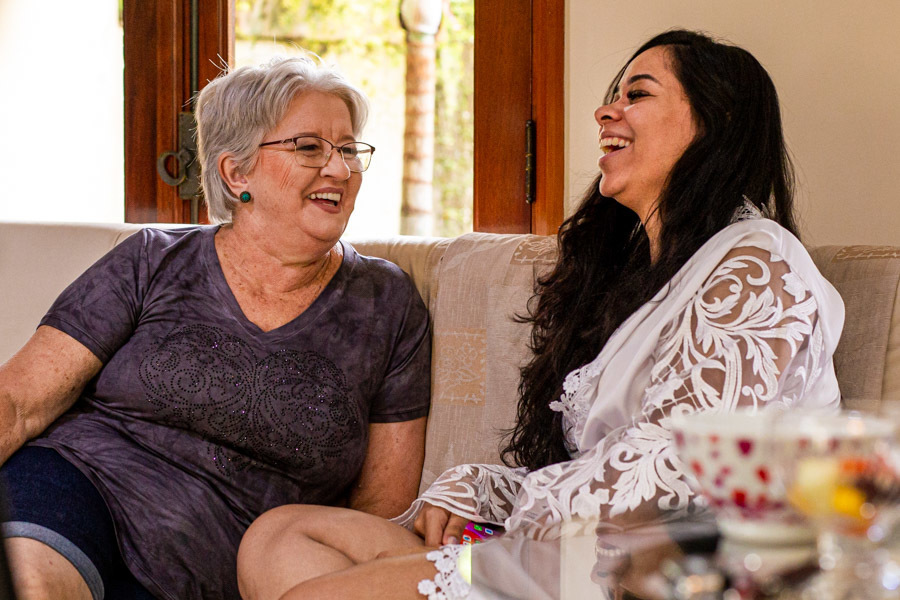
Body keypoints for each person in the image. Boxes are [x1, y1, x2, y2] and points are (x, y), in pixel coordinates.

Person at [235, 29, 845, 600]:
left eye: (637, 94)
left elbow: (675, 472)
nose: (606, 112)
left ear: (717, 125)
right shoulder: (651, 283)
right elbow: (607, 469)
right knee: (280, 537)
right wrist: (481, 486)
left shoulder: (757, 263)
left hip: (681, 571)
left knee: (318, 595)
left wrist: (513, 516)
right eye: (611, 97)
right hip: (584, 550)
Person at [0, 56, 431, 600]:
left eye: (348, 149)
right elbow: (17, 402)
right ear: (236, 172)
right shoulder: (152, 260)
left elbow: (380, 511)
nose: (340, 170)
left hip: (225, 569)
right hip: (77, 493)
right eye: (309, 147)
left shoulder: (388, 305)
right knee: (29, 586)